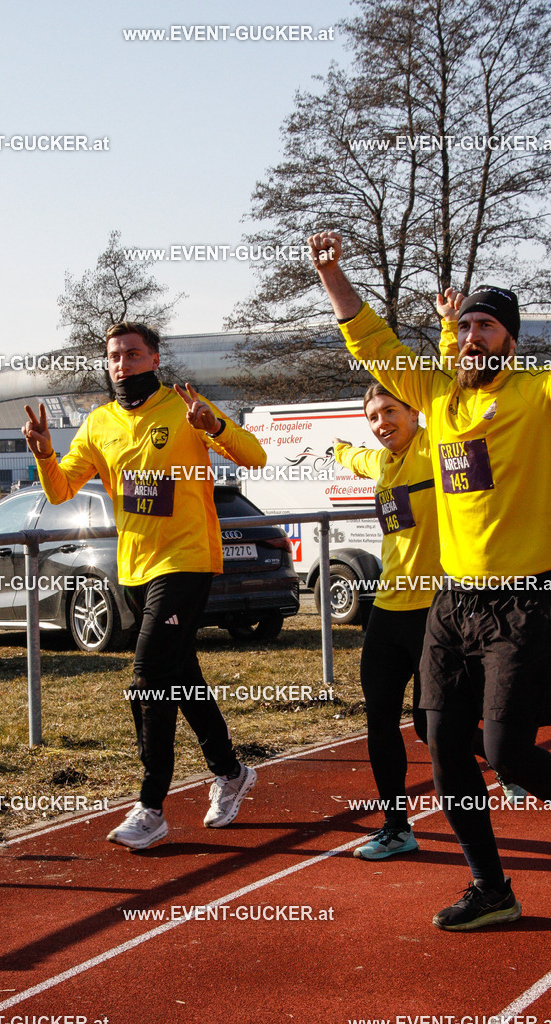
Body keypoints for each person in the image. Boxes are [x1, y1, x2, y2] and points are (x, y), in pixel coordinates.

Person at [309, 229, 551, 930]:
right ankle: (490, 888)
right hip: (452, 601)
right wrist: (331, 272)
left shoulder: (535, 395)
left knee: (508, 755)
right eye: (466, 324)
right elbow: (369, 340)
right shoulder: (437, 393)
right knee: (442, 740)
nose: (473, 335)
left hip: (524, 598)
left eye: (487, 325)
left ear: (509, 340)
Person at [22, 321, 267, 849]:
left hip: (187, 560)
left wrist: (216, 427)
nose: (122, 364)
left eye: (133, 355)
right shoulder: (99, 423)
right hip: (135, 568)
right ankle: (230, 771)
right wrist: (44, 451)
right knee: (182, 681)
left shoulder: (185, 407)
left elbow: (255, 456)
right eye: (114, 356)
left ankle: (151, 805)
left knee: (147, 680)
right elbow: (62, 490)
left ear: (154, 359)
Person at [333, 380, 442, 860]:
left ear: (416, 412)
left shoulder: (436, 445)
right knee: (380, 717)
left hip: (438, 610)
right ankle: (397, 827)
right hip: (388, 609)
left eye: (391, 411)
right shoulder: (381, 462)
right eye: (374, 416)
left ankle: (510, 759)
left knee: (428, 723)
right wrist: (339, 451)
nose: (382, 423)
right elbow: (356, 457)